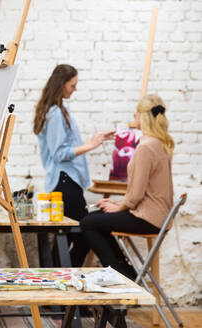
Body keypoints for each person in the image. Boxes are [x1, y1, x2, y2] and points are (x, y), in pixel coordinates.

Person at [81, 94, 174, 280]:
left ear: (143, 116)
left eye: (136, 114)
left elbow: (137, 194)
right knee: (98, 220)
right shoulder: (160, 144)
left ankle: (122, 278)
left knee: (88, 223)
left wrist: (118, 207)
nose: (134, 117)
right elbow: (145, 191)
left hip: (148, 217)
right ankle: (128, 275)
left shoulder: (145, 148)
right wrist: (116, 204)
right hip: (158, 215)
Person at [33, 64, 115, 267]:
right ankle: (57, 286)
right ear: (62, 85)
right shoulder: (55, 114)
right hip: (65, 182)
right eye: (72, 85)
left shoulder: (59, 110)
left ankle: (54, 287)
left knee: (69, 236)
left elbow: (67, 147)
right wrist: (89, 146)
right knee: (81, 234)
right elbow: (59, 153)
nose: (75, 89)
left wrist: (95, 139)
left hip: (67, 182)